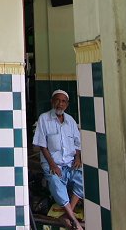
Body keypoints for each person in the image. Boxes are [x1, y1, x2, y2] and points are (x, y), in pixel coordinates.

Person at [33, 89, 83, 229]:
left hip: (69, 162)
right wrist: (53, 165)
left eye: (63, 101)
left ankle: (67, 215)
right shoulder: (44, 119)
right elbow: (43, 146)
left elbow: (77, 143)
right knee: (55, 182)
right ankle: (75, 221)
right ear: (52, 102)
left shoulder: (71, 121)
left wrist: (78, 157)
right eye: (57, 100)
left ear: (67, 104)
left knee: (85, 179)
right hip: (53, 163)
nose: (59, 104)